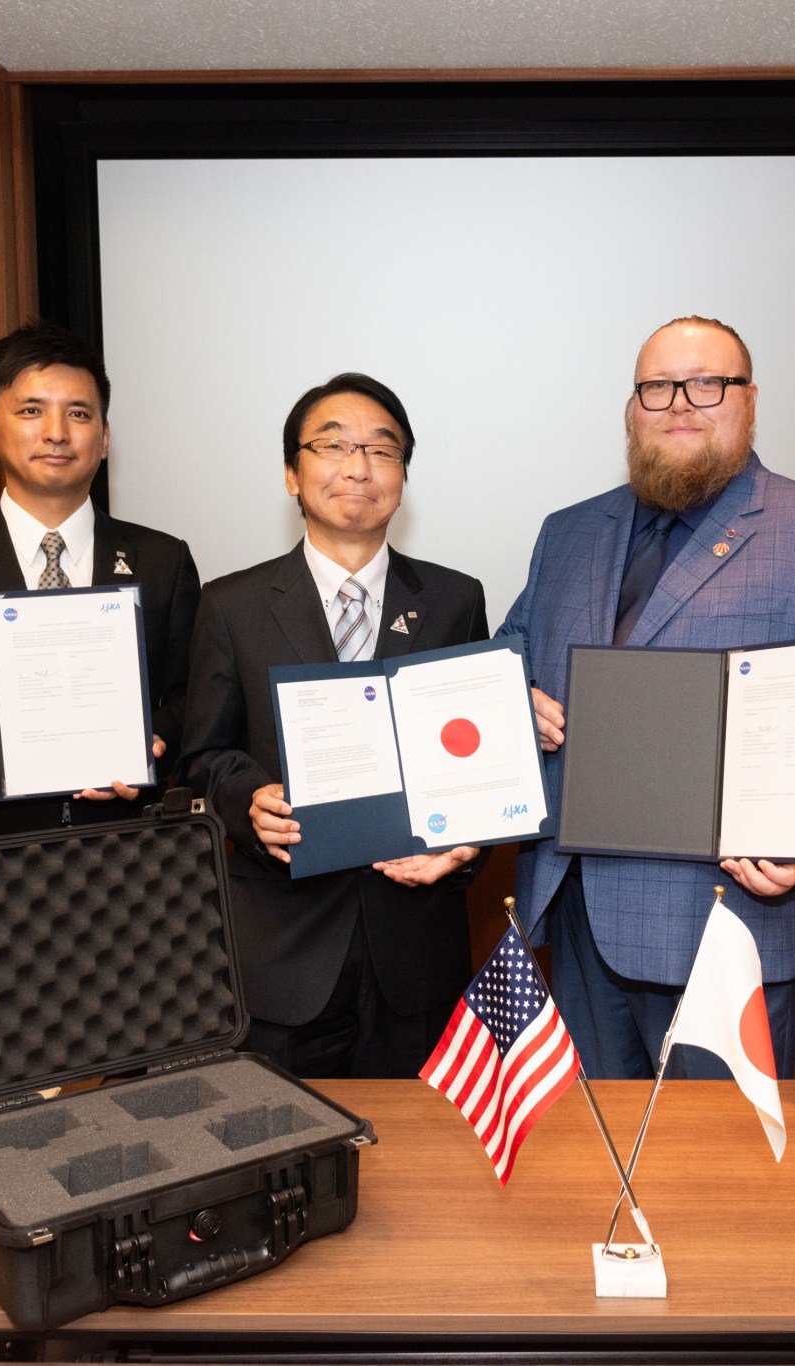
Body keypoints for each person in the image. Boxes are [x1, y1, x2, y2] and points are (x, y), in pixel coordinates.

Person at [500, 316, 795, 1079]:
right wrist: (511, 706)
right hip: (576, 912)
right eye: (657, 387)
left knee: (719, 1179)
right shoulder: (568, 532)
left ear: (749, 401)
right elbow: (513, 654)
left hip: (726, 915)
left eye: (707, 384)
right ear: (632, 410)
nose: (681, 403)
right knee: (597, 1170)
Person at [179, 373, 488, 1078]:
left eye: (383, 450)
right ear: (292, 472)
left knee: (422, 1167)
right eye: (333, 446)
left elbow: (476, 754)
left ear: (403, 476)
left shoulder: (453, 599)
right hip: (282, 947)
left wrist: (466, 846)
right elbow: (205, 754)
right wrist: (246, 800)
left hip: (415, 945)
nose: (358, 467)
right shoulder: (232, 604)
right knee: (282, 1158)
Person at [0, 321, 198, 834]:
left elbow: (192, 695)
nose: (56, 432)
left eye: (79, 413)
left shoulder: (163, 559)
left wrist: (154, 738)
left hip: (132, 853)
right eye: (31, 411)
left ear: (104, 438)